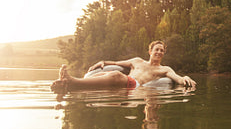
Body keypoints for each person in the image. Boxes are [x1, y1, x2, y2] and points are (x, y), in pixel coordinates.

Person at [51, 40, 196, 93]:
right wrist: (102, 62)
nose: (159, 52)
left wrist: (185, 77)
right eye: (156, 49)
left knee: (116, 75)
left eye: (161, 50)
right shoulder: (137, 61)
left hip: (135, 86)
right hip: (126, 81)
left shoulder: (164, 69)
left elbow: (178, 79)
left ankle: (72, 82)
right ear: (150, 51)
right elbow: (116, 63)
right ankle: (67, 84)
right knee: (113, 72)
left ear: (163, 54)